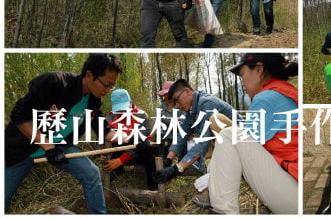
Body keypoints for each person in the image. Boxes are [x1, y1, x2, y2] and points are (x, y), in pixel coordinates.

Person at [5, 54, 123, 214]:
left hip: (61, 147)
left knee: (91, 173)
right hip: (22, 149)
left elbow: (106, 131)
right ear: (89, 75)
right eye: (106, 85)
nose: (108, 91)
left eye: (112, 87)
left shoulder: (94, 100)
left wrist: (137, 138)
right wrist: (48, 147)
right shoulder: (55, 83)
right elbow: (20, 116)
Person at [203, 53, 298, 214]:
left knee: (228, 135)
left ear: (259, 69)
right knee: (226, 127)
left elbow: (239, 144)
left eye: (242, 75)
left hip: (296, 194)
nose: (242, 83)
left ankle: (223, 211)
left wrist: (213, 173)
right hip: (296, 182)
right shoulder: (287, 92)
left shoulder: (265, 98)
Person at [152, 79, 234, 183]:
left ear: (187, 91)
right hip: (226, 147)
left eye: (177, 100)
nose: (176, 105)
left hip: (243, 143)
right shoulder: (192, 108)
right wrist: (168, 160)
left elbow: (203, 142)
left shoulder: (207, 104)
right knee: (211, 171)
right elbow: (182, 134)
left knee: (214, 120)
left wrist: (177, 168)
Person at [103, 89, 158, 190]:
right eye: (119, 109)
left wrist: (120, 160)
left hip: (140, 153)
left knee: (145, 146)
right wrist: (102, 151)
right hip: (121, 150)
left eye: (124, 108)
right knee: (114, 137)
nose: (122, 112)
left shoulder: (141, 115)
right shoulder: (110, 117)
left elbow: (138, 142)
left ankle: (153, 185)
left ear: (131, 103)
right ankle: (116, 172)